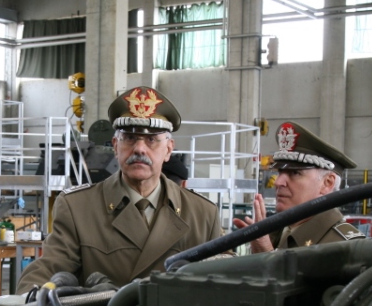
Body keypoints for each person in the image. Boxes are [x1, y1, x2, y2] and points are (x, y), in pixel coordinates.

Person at [18, 86, 223, 290]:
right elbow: (48, 268)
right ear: (116, 146)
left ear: (168, 150)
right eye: (130, 138)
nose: (139, 148)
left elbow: (225, 279)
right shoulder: (78, 208)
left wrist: (246, 257)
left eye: (151, 139)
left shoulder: (202, 214)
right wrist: (29, 297)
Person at [233, 121, 363, 252]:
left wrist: (266, 254)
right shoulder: (277, 230)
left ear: (327, 183)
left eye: (295, 173)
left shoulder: (346, 247)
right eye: (280, 172)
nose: (278, 182)